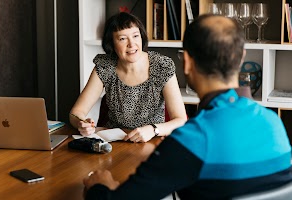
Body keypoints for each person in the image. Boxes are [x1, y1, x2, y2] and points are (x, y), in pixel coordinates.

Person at [82, 14, 292, 199]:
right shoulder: (274, 123)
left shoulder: (192, 140)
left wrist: (99, 186)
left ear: (187, 62)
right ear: (241, 58)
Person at [69, 12, 187, 142]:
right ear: (112, 44)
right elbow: (76, 112)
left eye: (135, 36)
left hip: (151, 140)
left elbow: (181, 120)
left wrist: (153, 129)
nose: (132, 44)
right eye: (122, 39)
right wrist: (82, 123)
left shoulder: (162, 66)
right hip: (115, 142)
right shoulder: (105, 66)